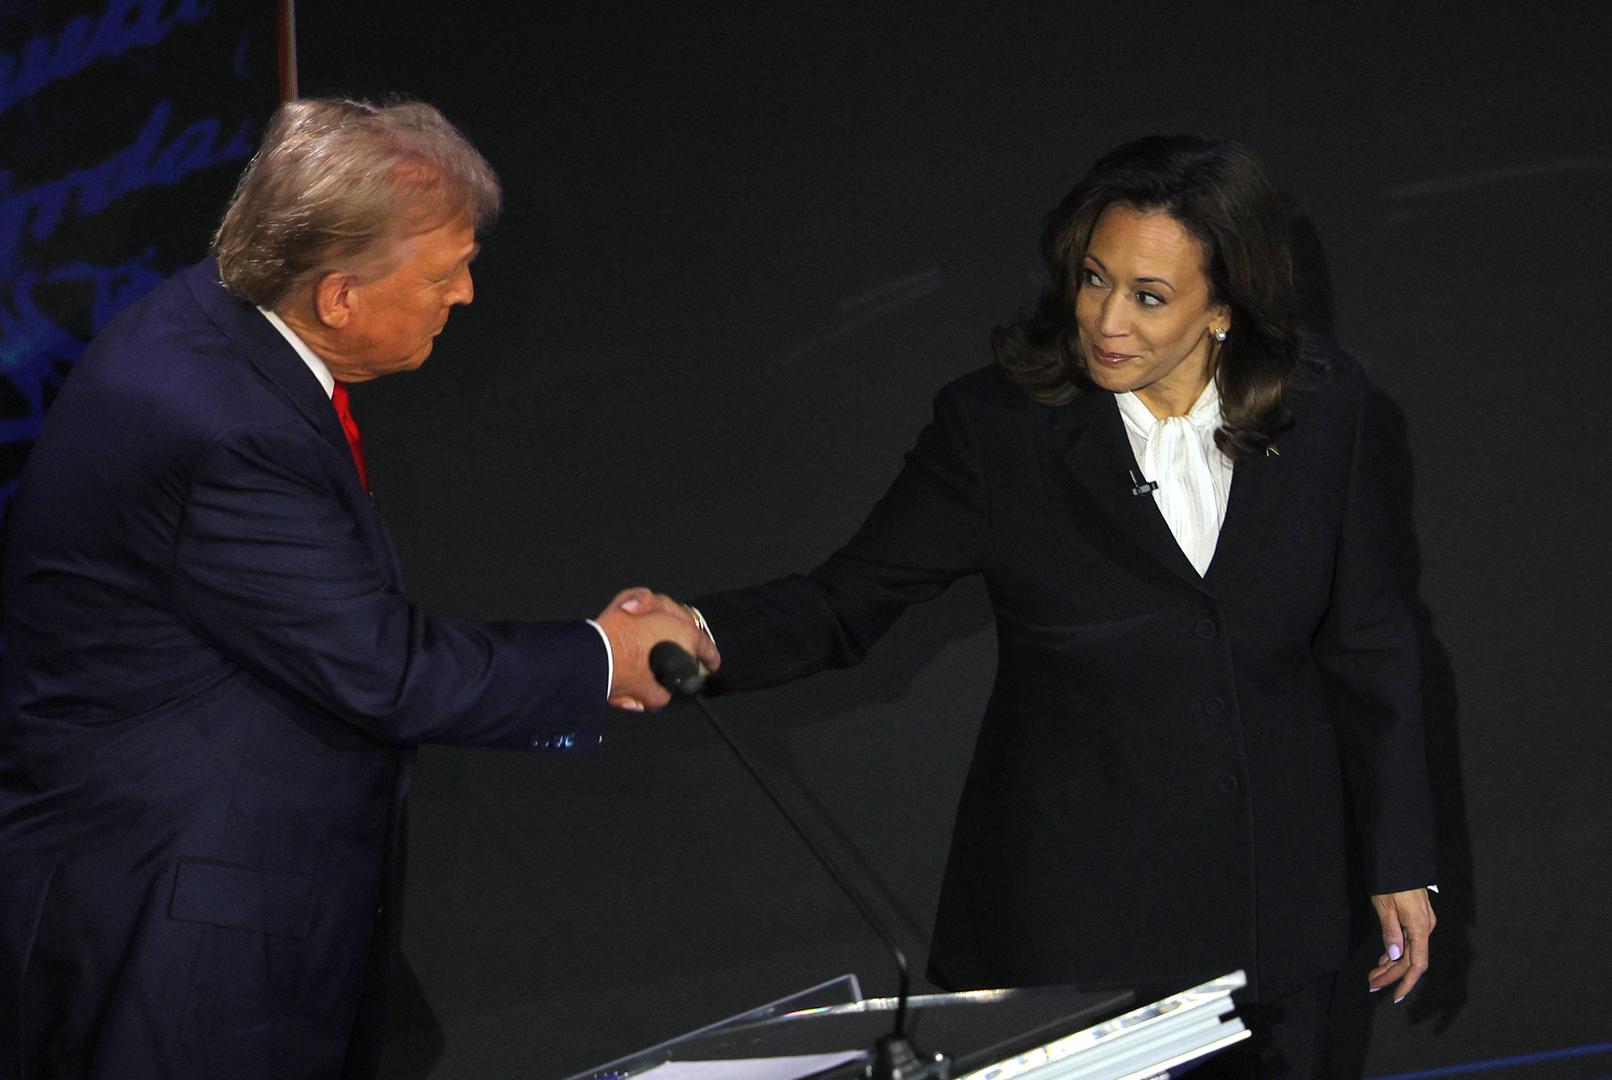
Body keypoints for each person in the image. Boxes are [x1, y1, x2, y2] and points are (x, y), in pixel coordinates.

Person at [636, 135, 1436, 1077]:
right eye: (1094, 279)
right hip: (1069, 936)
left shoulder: (1323, 407)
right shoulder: (999, 429)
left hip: (1276, 921)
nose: (1105, 320)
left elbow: (1371, 639)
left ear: (1224, 306)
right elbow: (846, 600)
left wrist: (1399, 856)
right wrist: (702, 636)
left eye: (1149, 295)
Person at [0, 97, 717, 1080]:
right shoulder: (222, 425)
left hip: (223, 883)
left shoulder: (214, 326)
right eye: (444, 272)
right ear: (337, 295)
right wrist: (603, 657)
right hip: (184, 933)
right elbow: (383, 668)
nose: (464, 295)